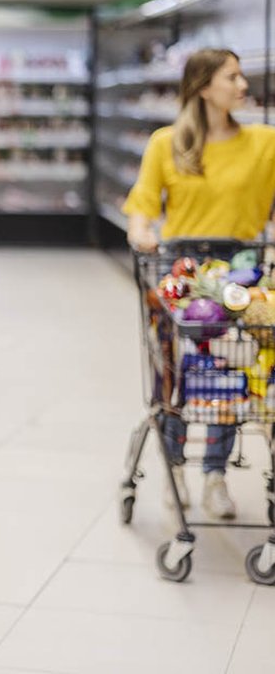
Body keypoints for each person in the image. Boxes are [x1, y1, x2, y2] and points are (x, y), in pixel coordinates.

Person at [124, 47, 275, 519]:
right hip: (180, 276)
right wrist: (143, 234)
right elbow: (143, 209)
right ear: (204, 85)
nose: (243, 86)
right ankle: (175, 468)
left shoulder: (265, 143)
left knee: (229, 374)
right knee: (177, 376)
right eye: (233, 77)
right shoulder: (167, 143)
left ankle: (214, 473)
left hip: (240, 276)